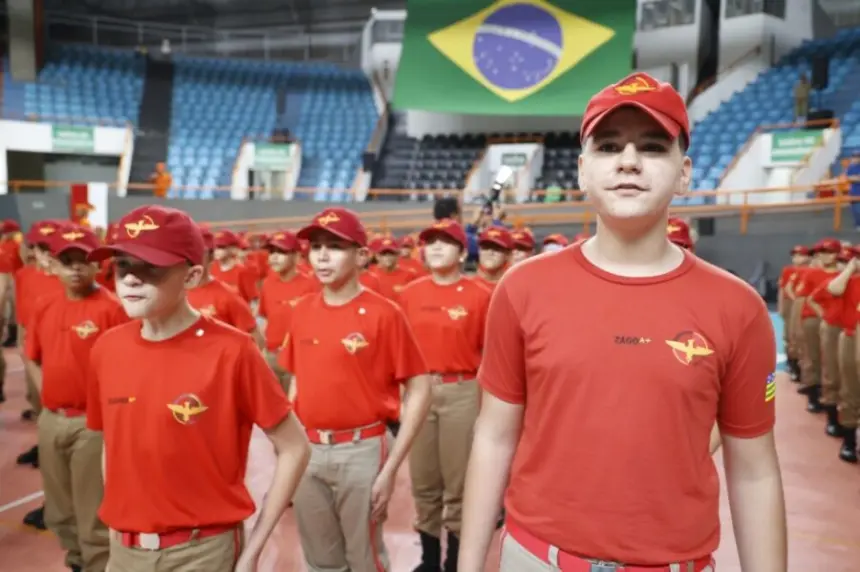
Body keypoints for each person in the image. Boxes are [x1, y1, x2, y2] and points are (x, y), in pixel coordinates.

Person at [458, 72, 786, 572]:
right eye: (609, 146)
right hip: (537, 559)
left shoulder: (737, 309)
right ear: (583, 169)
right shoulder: (523, 289)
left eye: (653, 147)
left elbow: (754, 472)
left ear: (684, 172)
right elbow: (494, 435)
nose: (629, 161)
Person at [85, 205, 310, 571]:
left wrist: (253, 548)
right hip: (126, 550)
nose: (129, 280)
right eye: (123, 265)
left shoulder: (232, 351)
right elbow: (112, 443)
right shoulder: (107, 349)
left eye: (150, 266)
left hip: (201, 553)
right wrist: (117, 530)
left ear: (191, 276)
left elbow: (295, 447)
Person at [278, 207, 433, 572]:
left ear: (362, 256)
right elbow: (296, 379)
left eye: (335, 246)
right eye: (316, 247)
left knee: (365, 559)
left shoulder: (385, 314)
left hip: (362, 450)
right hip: (309, 450)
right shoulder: (301, 311)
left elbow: (420, 386)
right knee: (319, 561)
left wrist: (392, 466)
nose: (323, 256)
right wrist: (289, 445)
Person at [26, 224, 128, 572]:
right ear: (53, 265)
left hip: (92, 425)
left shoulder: (112, 309)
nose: (75, 269)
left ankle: (98, 565)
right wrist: (46, 403)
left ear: (97, 265)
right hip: (52, 420)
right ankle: (76, 562)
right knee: (59, 510)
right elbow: (33, 355)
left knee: (92, 512)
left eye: (82, 260)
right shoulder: (44, 306)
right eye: (66, 261)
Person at [399, 219, 491, 572]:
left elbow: (491, 354)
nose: (435, 247)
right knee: (423, 479)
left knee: (458, 481)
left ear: (462, 251)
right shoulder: (409, 294)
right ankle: (428, 558)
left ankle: (453, 559)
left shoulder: (480, 296)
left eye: (445, 242)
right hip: (418, 390)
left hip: (462, 391)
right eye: (430, 242)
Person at [257, 229, 317, 392]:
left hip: (298, 356)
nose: (274, 257)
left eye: (281, 252)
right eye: (271, 252)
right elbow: (263, 317)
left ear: (296, 256)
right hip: (271, 355)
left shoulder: (311, 285)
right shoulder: (268, 283)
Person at [189, 227, 264, 347]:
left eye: (197, 252)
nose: (190, 258)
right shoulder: (172, 295)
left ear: (211, 256)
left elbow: (255, 339)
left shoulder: (228, 296)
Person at [473, 227, 513, 291]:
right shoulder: (467, 287)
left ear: (508, 254)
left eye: (496, 248)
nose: (490, 252)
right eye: (485, 248)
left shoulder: (515, 287)